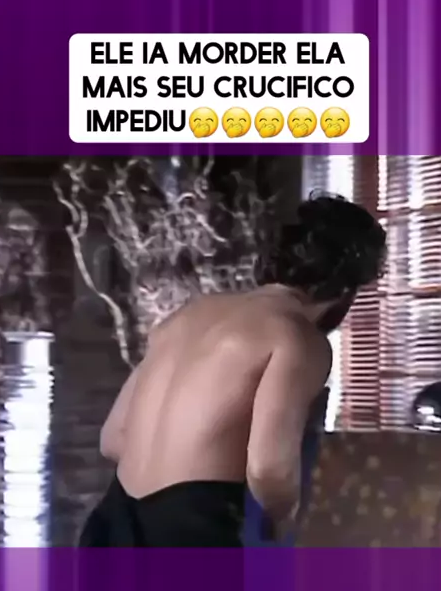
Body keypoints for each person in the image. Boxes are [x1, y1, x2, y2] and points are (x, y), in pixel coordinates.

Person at [79, 192, 386, 547]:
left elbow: (113, 439)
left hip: (110, 523)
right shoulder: (297, 337)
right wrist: (283, 518)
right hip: (189, 534)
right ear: (346, 290)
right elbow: (268, 467)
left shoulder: (187, 316)